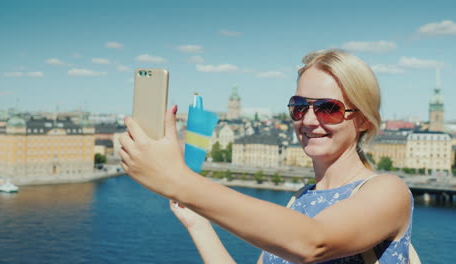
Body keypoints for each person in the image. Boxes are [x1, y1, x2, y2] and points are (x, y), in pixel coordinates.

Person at [119, 49, 414, 264]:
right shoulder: (298, 202)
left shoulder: (388, 192)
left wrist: (179, 181)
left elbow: (313, 242)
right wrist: (198, 222)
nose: (309, 120)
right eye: (299, 106)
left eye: (328, 108)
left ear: (363, 120)